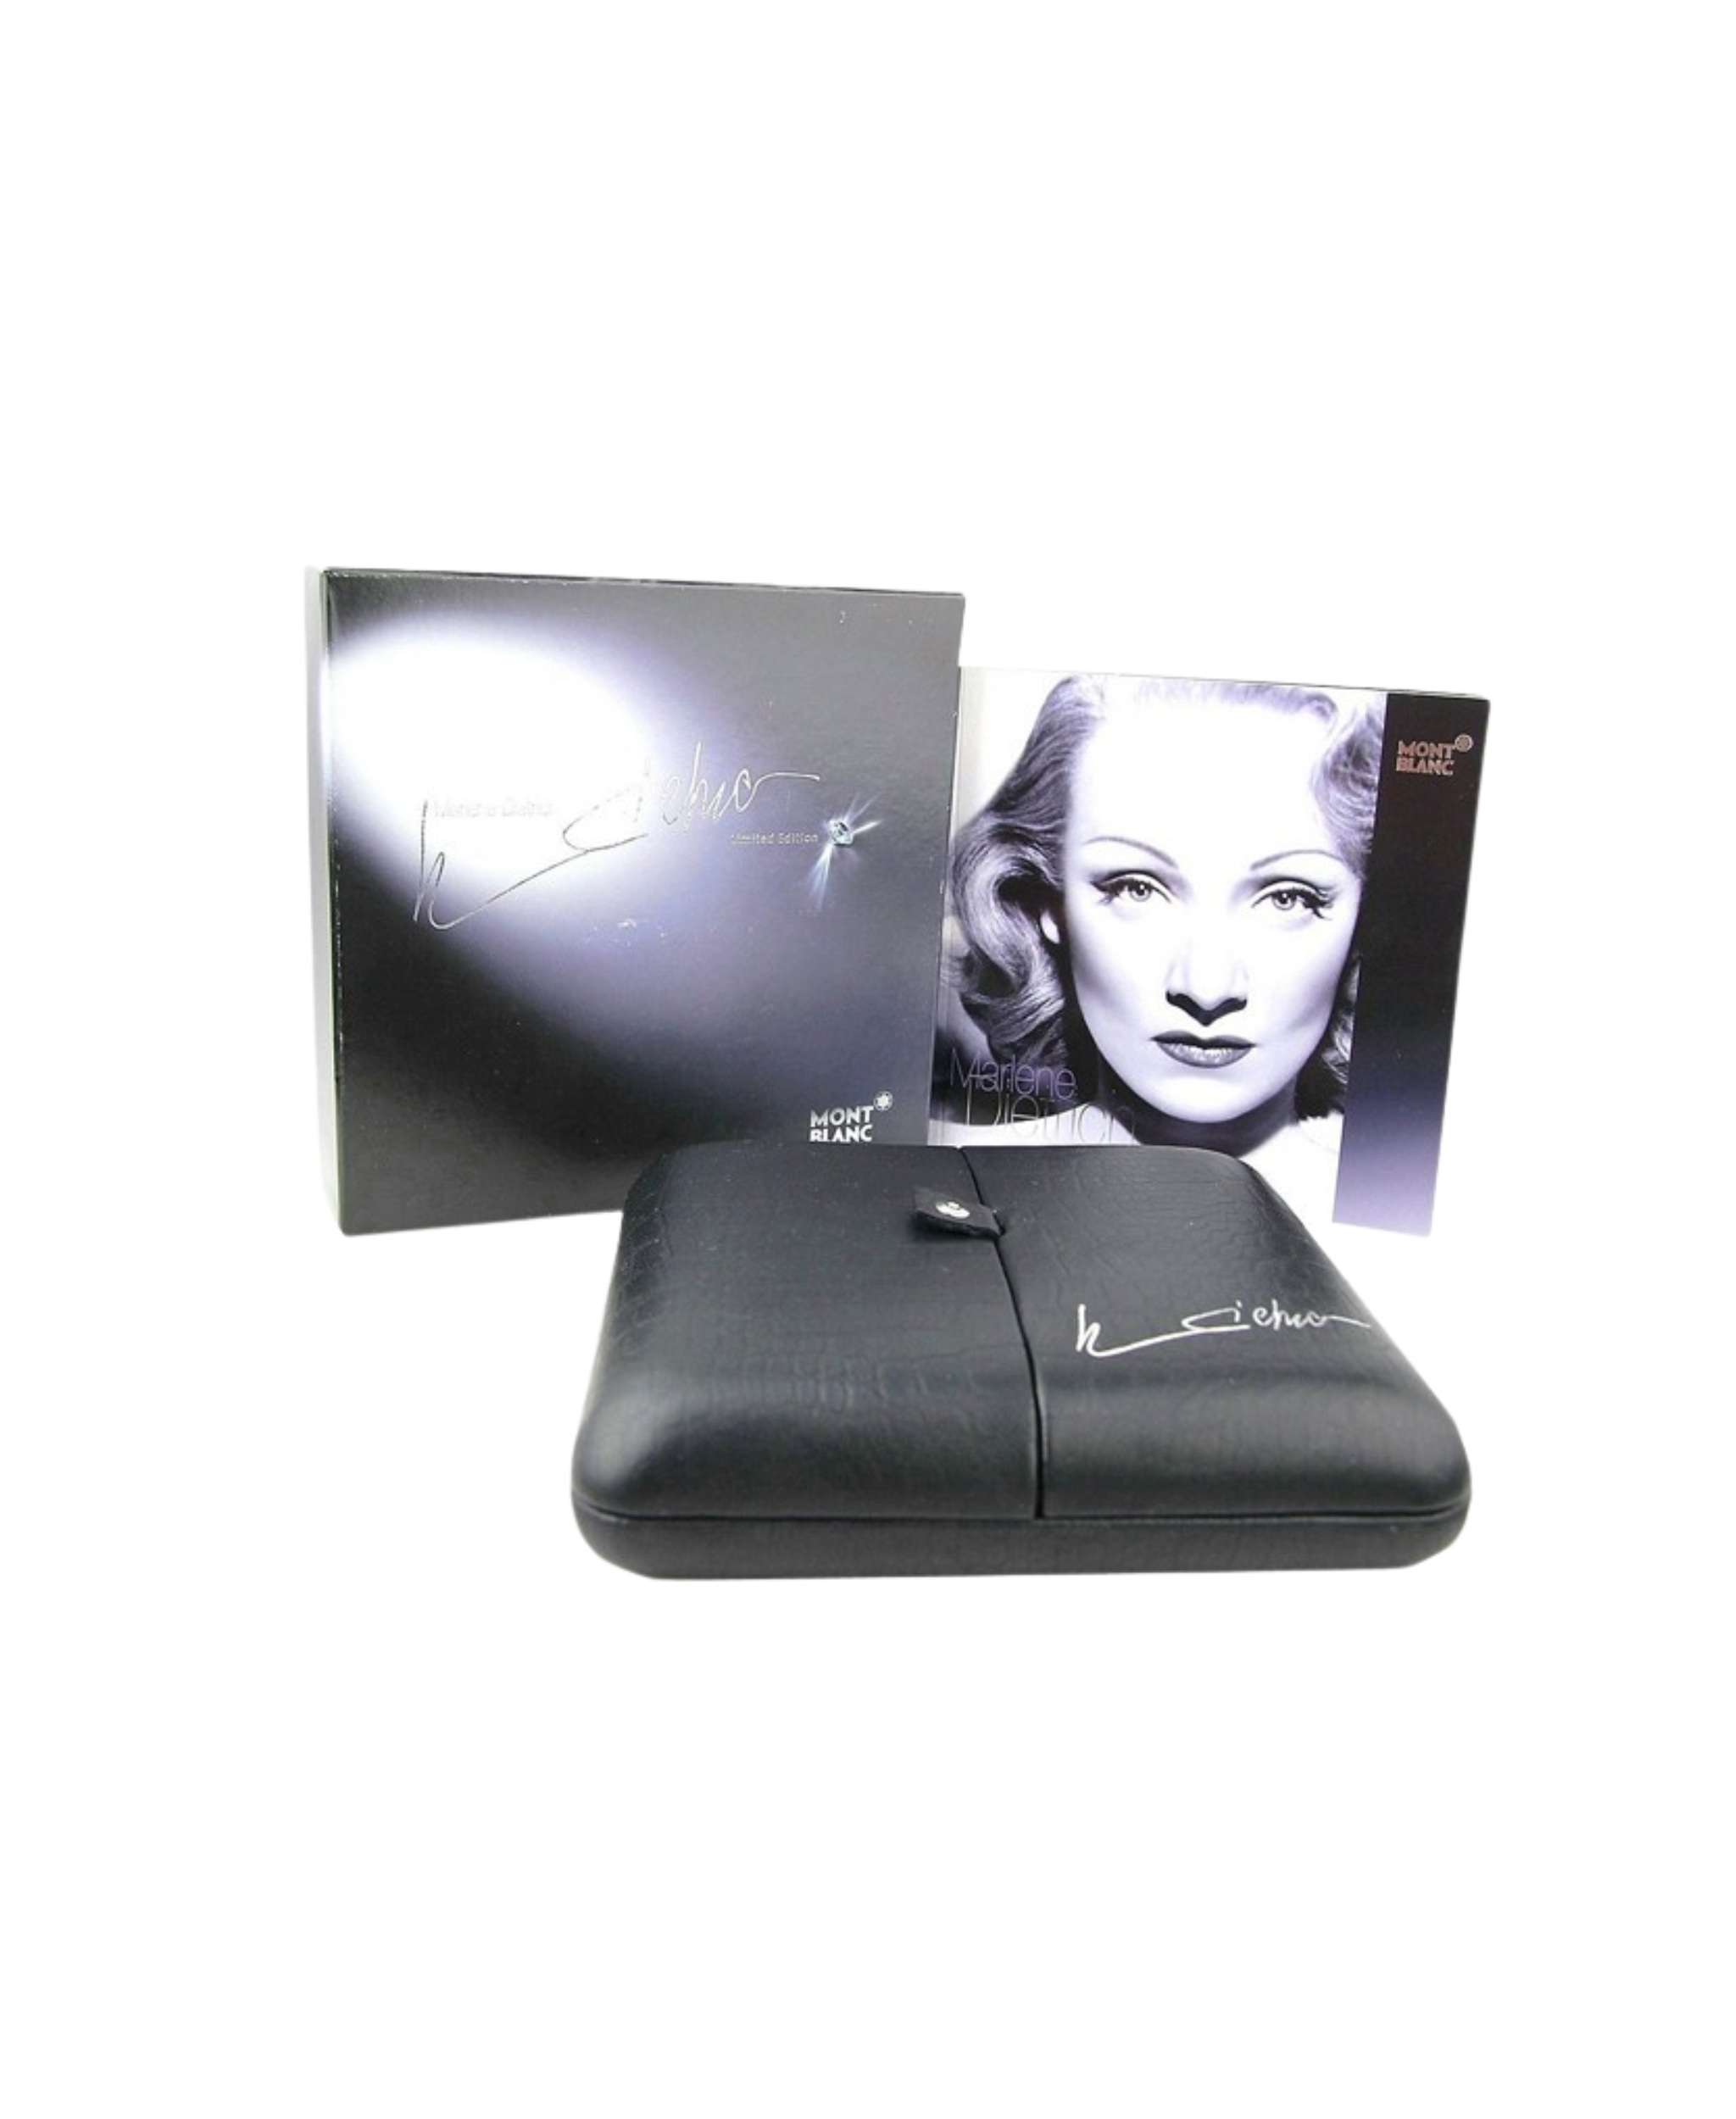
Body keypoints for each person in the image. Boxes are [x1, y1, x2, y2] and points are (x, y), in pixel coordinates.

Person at [934, 674, 1386, 1215]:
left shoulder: (1416, 1216)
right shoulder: (946, 1179)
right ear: (1048, 904)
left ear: (1365, 918)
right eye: (1136, 888)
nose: (1207, 988)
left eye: (1288, 898)